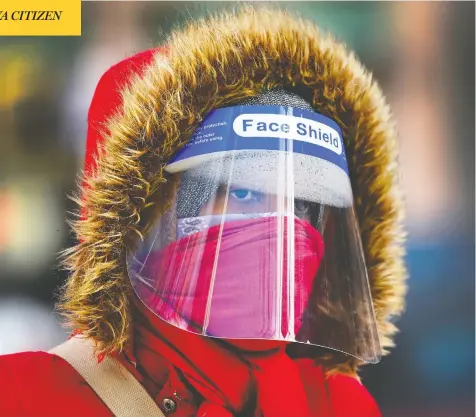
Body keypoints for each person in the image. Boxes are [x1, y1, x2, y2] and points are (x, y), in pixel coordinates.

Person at [0, 7, 406, 417]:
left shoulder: (337, 404)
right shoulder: (28, 396)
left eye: (301, 205)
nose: (283, 227)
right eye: (245, 193)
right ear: (145, 215)